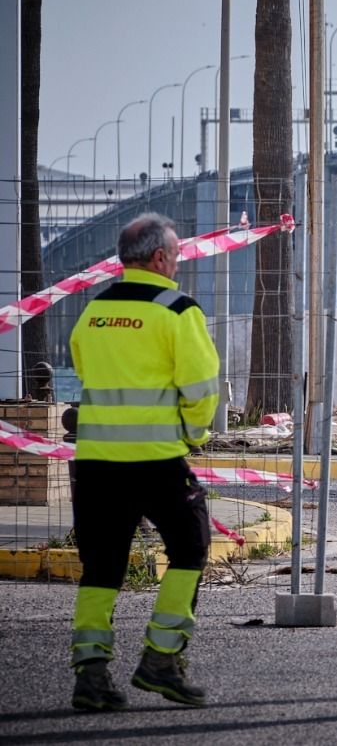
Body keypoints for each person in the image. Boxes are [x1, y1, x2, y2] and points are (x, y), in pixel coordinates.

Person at [67, 213, 220, 711]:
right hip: (156, 459)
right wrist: (191, 435)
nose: (177, 264)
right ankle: (161, 658)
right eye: (175, 256)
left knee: (102, 565)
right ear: (159, 258)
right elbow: (201, 390)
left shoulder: (94, 311)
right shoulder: (177, 310)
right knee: (191, 545)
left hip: (94, 462)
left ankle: (91, 675)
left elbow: (84, 367)